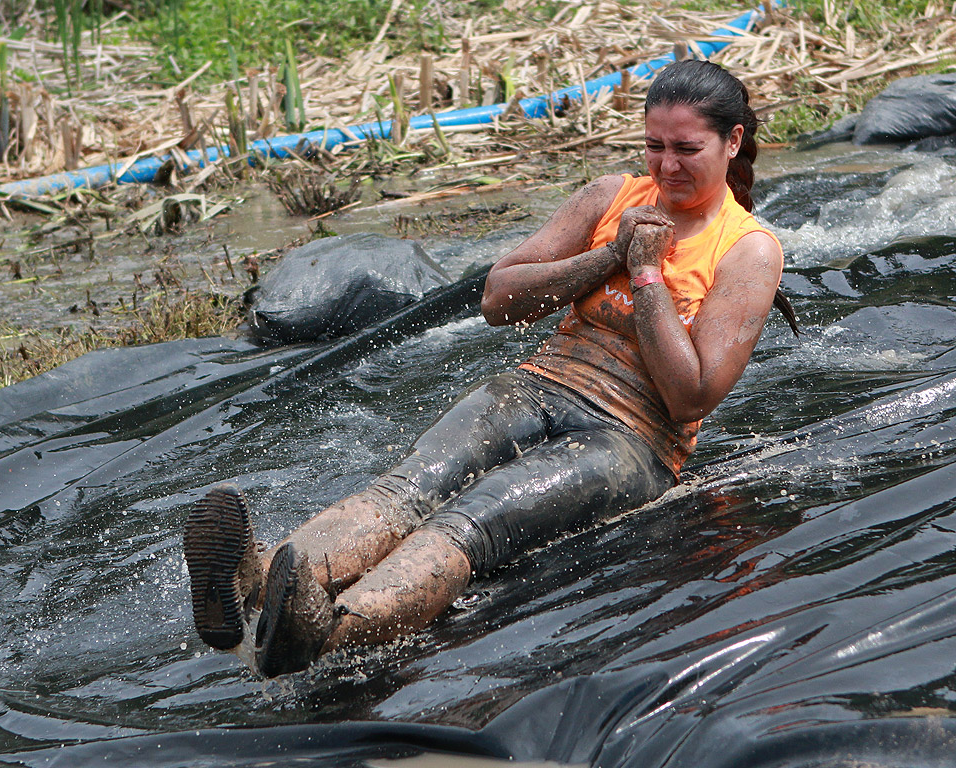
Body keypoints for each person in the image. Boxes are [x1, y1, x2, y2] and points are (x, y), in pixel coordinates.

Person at [183, 60, 786, 678]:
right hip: (543, 381)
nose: (666, 167)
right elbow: (499, 298)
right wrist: (609, 255)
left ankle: (331, 628)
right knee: (407, 489)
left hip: (633, 436)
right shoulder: (611, 197)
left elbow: (692, 397)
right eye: (654, 146)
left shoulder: (749, 250)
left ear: (732, 141)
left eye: (688, 149)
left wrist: (648, 273)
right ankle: (255, 580)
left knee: (473, 520)